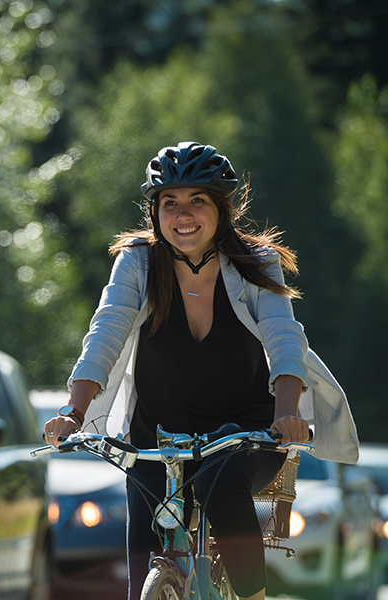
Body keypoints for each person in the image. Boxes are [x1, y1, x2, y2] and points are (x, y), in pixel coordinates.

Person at [42, 142, 359, 600]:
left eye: (197, 201)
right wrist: (74, 411)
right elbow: (105, 333)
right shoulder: (138, 261)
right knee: (141, 575)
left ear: (221, 208)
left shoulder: (255, 263)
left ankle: (253, 595)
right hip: (157, 433)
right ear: (155, 212)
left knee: (219, 479)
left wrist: (287, 414)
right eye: (169, 202)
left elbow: (283, 337)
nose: (182, 214)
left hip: (245, 433)